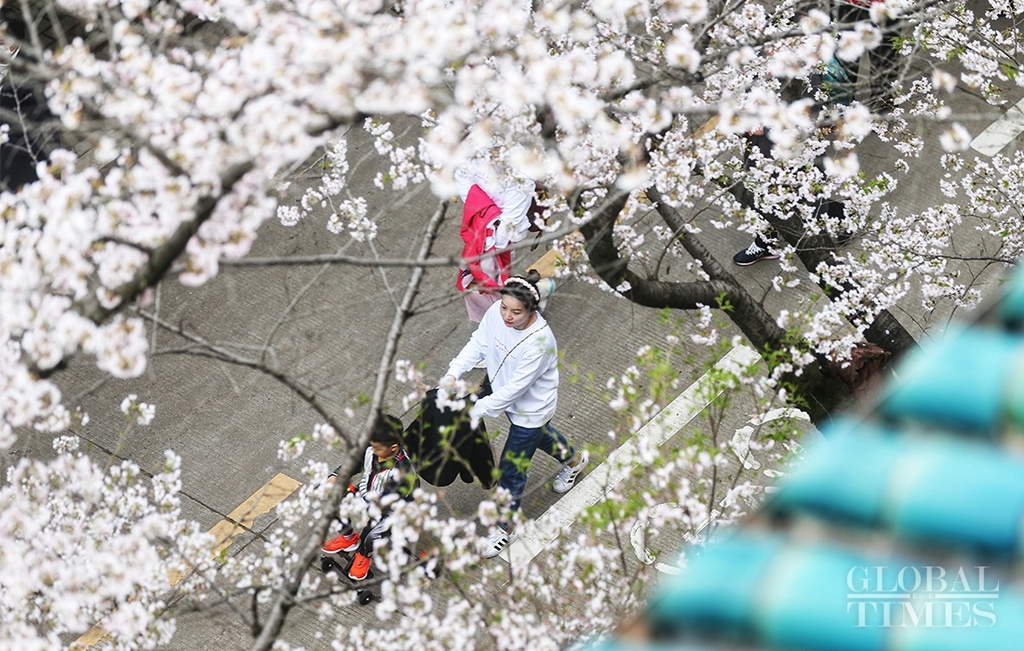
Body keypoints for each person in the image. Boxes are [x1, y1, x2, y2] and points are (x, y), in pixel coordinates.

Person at [441, 271, 589, 558]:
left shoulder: (539, 342)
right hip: (505, 394)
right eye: (505, 307)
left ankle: (504, 529)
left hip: (531, 410)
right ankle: (574, 460)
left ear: (532, 310)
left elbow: (516, 389)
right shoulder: (497, 312)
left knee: (511, 470)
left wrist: (477, 409)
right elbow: (478, 342)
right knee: (541, 437)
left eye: (516, 312)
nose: (507, 315)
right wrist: (453, 371)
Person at [454, 158, 555, 320]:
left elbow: (510, 224)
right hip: (483, 228)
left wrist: (489, 239)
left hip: (497, 232)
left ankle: (523, 304)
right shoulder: (470, 155)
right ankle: (534, 292)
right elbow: (462, 179)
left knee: (489, 282)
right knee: (481, 282)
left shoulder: (519, 172)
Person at [321, 413, 415, 581]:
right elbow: (355, 463)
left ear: (393, 447)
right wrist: (337, 476)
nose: (373, 450)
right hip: (367, 494)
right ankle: (348, 538)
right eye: (371, 446)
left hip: (390, 508)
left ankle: (364, 554)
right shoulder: (372, 451)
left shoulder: (403, 472)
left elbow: (386, 502)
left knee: (371, 533)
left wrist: (359, 502)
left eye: (377, 448)